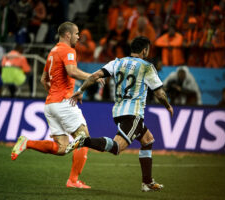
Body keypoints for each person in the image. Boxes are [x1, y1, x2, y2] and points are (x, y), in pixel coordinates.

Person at [68, 36, 173, 192]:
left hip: (118, 112)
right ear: (145, 50)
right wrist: (168, 106)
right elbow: (160, 94)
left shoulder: (117, 62)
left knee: (148, 140)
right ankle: (84, 141)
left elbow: (95, 76)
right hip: (133, 113)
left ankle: (147, 182)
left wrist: (80, 90)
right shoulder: (146, 67)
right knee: (117, 148)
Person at [11, 22, 103, 189]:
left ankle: (27, 143)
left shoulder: (53, 51)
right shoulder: (68, 50)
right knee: (84, 139)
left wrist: (55, 96)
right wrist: (93, 76)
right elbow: (72, 71)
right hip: (63, 102)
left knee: (62, 147)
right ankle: (73, 181)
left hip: (50, 104)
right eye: (76, 33)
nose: (78, 37)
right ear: (67, 34)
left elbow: (43, 80)